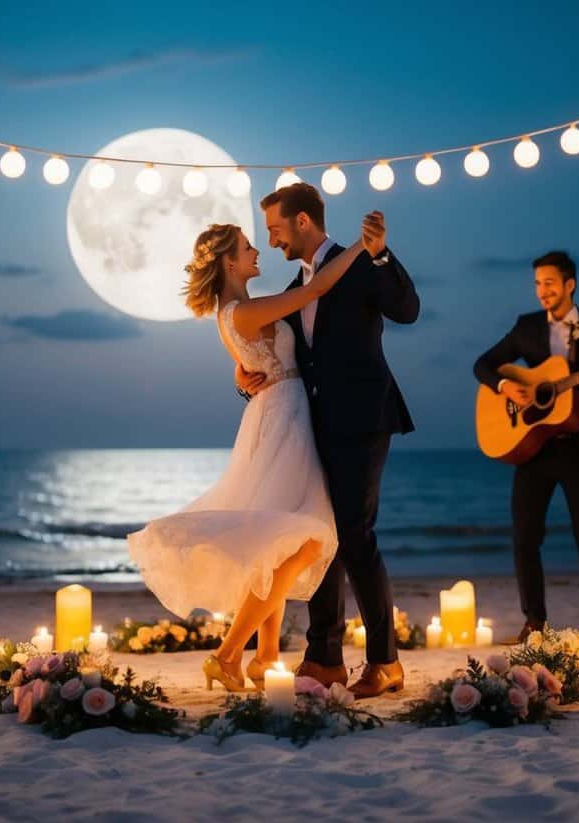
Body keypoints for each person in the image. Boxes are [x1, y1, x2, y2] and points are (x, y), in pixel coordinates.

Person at [127, 212, 384, 693]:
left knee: (275, 536)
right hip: (283, 418)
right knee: (303, 539)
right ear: (228, 262)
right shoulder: (243, 312)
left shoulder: (240, 312)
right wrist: (356, 249)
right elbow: (312, 292)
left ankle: (265, 656)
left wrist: (241, 377)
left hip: (278, 414)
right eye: (247, 247)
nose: (257, 252)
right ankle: (228, 654)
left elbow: (251, 365)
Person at [237, 183, 419, 698]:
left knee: (356, 535)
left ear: (301, 222)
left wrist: (381, 254)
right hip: (312, 424)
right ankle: (323, 659)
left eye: (274, 229)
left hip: (364, 419)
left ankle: (385, 662)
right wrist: (246, 376)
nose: (271, 241)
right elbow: (284, 355)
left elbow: (407, 310)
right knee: (322, 536)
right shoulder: (298, 285)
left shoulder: (358, 261)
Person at [472, 250, 579, 647]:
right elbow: (483, 365)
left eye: (549, 283)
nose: (542, 291)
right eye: (537, 284)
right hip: (533, 447)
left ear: (569, 285)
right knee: (525, 537)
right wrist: (506, 386)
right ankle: (534, 622)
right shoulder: (526, 327)